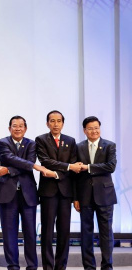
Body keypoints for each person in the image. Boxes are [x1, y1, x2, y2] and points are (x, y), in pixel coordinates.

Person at [0, 115, 46, 270]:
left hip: (28, 194)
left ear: (26, 128)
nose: (17, 128)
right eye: (14, 126)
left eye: (21, 126)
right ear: (9, 128)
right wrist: (30, 166)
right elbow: (10, 158)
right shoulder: (2, 143)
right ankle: (13, 266)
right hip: (7, 194)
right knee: (9, 234)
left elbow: (27, 163)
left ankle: (32, 266)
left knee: (30, 233)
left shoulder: (32, 144)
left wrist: (8, 170)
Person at [35, 110, 81, 270]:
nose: (56, 124)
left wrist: (76, 197)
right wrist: (67, 168)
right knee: (47, 232)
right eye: (52, 121)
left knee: (64, 232)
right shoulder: (40, 140)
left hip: (66, 193)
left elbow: (75, 168)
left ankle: (61, 266)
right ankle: (48, 266)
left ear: (63, 123)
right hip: (48, 192)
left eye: (59, 121)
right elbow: (46, 161)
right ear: (47, 123)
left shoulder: (70, 141)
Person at [74, 116, 117, 270]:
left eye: (96, 127)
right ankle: (89, 267)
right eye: (90, 128)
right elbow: (74, 175)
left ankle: (107, 266)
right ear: (85, 130)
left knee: (106, 233)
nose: (94, 131)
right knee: (86, 233)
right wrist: (75, 198)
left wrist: (88, 167)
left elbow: (110, 166)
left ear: (100, 128)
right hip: (84, 195)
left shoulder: (109, 146)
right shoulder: (78, 147)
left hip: (105, 195)